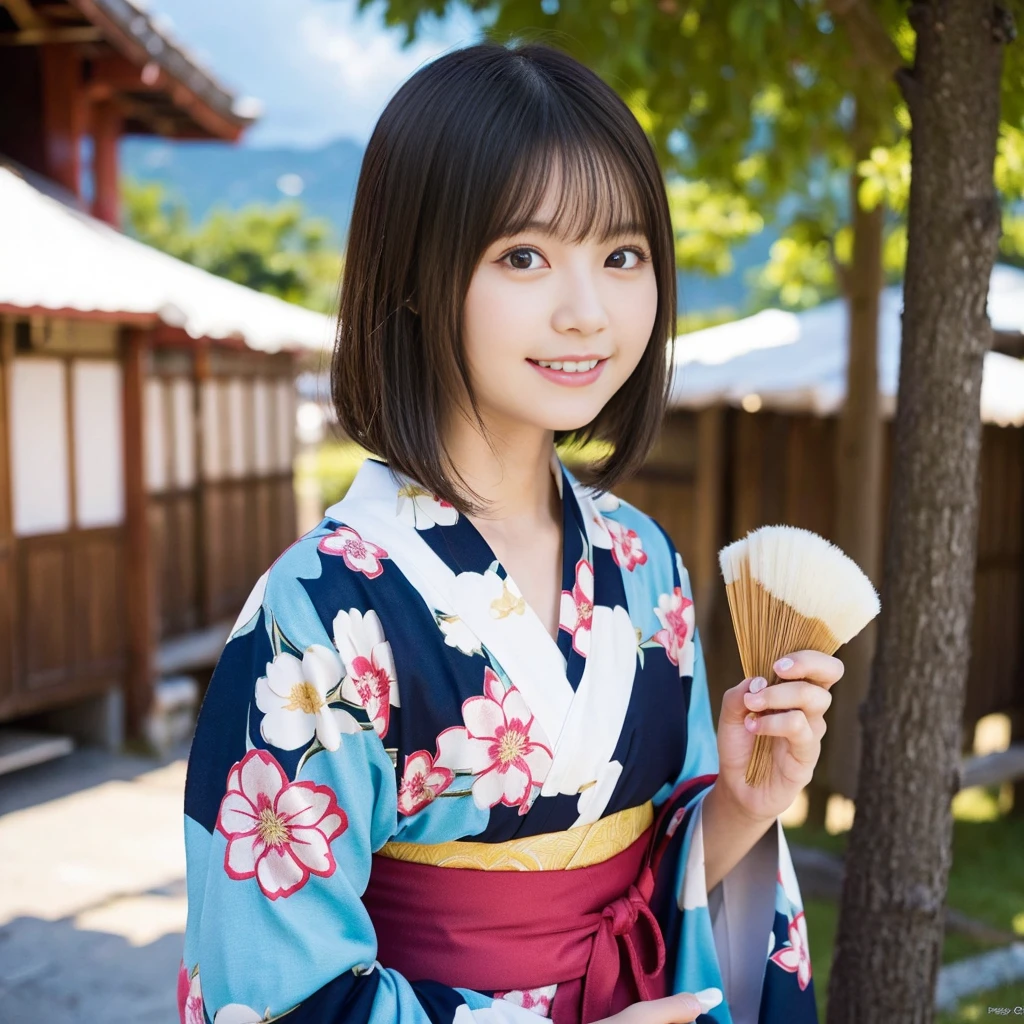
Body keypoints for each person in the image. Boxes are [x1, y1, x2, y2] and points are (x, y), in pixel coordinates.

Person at [179, 41, 841, 1024]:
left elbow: (659, 888)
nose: (586, 312)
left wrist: (742, 801)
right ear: (410, 275)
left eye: (621, 256)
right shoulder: (317, 610)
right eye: (523, 256)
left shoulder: (642, 562)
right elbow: (274, 993)